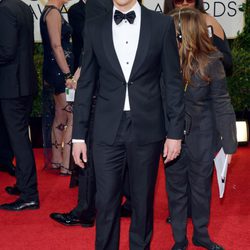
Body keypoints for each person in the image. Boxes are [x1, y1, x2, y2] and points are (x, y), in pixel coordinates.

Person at [72, 0, 184, 249]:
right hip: (106, 128)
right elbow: (86, 83)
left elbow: (173, 82)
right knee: (105, 202)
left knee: (142, 203)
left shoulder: (162, 25)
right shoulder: (94, 27)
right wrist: (78, 136)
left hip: (147, 127)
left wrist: (175, 132)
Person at [165, 8, 237, 250]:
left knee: (200, 189)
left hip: (203, 136)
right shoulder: (164, 63)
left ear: (186, 33)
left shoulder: (212, 61)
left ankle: (201, 235)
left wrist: (229, 143)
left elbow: (222, 102)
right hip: (171, 137)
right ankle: (179, 240)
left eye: (174, 32)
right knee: (175, 189)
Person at [0, 0, 39, 211]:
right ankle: (24, 185)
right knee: (20, 138)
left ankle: (29, 194)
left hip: (12, 87)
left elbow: (7, 51)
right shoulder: (23, 7)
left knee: (19, 141)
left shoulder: (4, 10)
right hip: (24, 83)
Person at [40, 0, 74, 175]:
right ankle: (66, 166)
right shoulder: (53, 12)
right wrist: (68, 74)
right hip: (60, 73)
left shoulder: (50, 11)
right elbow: (56, 45)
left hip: (54, 70)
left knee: (60, 116)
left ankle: (56, 159)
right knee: (72, 117)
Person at [164, 0, 233, 76]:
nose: (185, 3)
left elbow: (227, 62)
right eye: (179, 0)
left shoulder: (208, 21)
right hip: (172, 81)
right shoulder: (164, 24)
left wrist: (203, 47)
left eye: (190, 0)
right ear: (170, 3)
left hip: (202, 80)